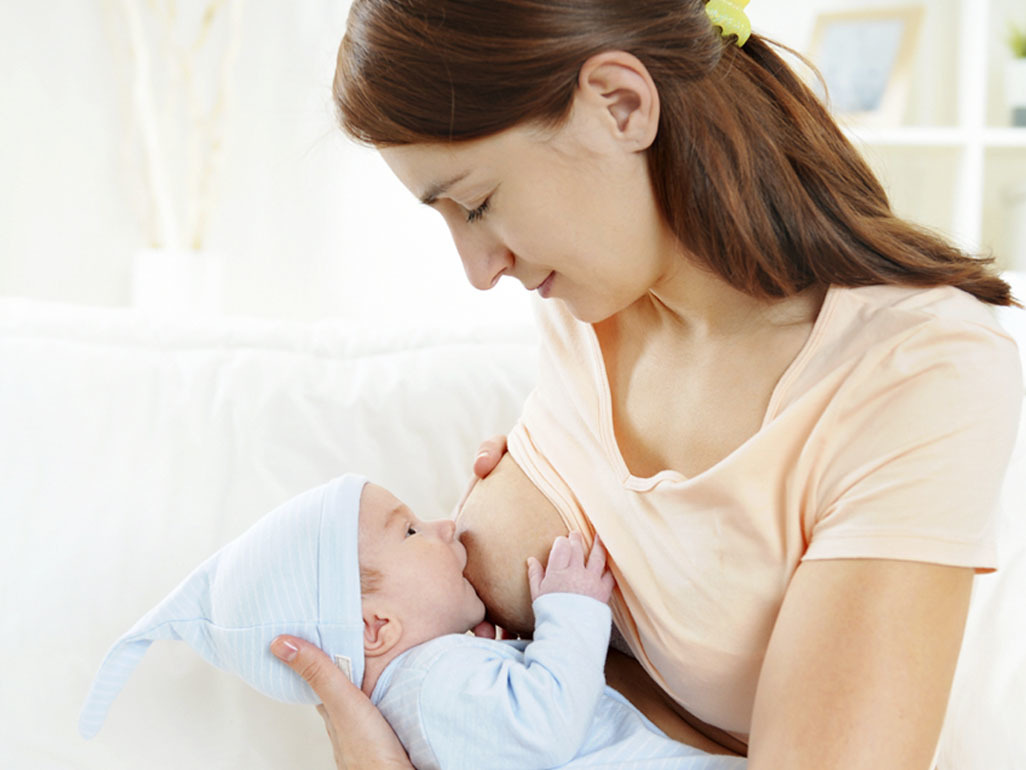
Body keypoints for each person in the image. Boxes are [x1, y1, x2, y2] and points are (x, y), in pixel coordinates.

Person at [280, 0, 1024, 767]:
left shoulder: (913, 373)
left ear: (621, 105)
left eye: (478, 204)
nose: (478, 271)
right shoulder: (582, 312)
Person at [79, 474, 745, 769]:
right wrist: (571, 612)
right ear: (375, 628)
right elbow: (541, 730)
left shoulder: (431, 690)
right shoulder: (429, 691)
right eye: (411, 529)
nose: (446, 525)